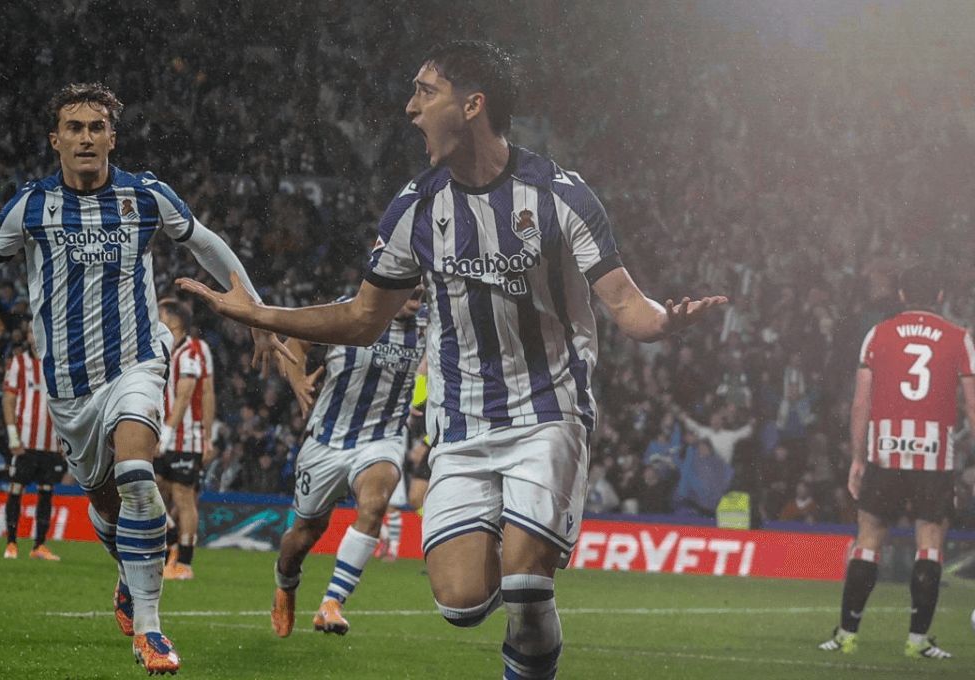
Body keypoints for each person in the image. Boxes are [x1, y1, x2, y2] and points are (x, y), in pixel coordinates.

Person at [178, 41, 725, 677]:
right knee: (462, 604)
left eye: (425, 92)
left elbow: (627, 306)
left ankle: (530, 611)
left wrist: (668, 322)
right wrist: (260, 314)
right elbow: (361, 317)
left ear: (472, 105)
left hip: (548, 411)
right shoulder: (415, 206)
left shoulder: (559, 195)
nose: (411, 109)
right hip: (460, 425)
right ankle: (526, 599)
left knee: (524, 586)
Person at [0, 82, 290, 676]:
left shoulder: (145, 196)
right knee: (106, 501)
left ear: (112, 138)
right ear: (56, 140)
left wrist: (257, 310)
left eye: (97, 127)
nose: (87, 137)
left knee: (139, 477)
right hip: (68, 388)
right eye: (75, 127)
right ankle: (127, 571)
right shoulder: (32, 206)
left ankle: (150, 630)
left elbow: (206, 244)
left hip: (138, 363)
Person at [819, 270, 974, 660]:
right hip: (934, 454)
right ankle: (917, 641)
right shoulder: (960, 337)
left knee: (869, 538)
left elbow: (860, 403)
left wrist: (858, 458)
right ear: (939, 293)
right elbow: (973, 405)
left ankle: (847, 635)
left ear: (902, 293)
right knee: (930, 543)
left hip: (885, 450)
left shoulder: (878, 334)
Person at [267, 287, 426, 637]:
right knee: (304, 535)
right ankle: (285, 583)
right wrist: (298, 383)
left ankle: (332, 602)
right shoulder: (350, 310)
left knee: (374, 505)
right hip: (325, 441)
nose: (418, 289)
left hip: (382, 439)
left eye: (421, 281)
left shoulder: (431, 324)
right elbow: (296, 342)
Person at [155, 299, 215, 581]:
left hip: (184, 438)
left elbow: (187, 393)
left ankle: (185, 563)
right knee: (151, 488)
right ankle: (171, 539)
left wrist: (205, 437)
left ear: (174, 319)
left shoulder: (191, 350)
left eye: (161, 313)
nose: (157, 317)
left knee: (184, 496)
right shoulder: (167, 348)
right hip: (166, 434)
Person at [2, 328, 65, 561]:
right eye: (30, 331)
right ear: (27, 336)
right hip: (25, 444)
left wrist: (63, 439)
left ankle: (39, 545)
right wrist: (12, 436)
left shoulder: (57, 364)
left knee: (46, 494)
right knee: (16, 490)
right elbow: (8, 401)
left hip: (50, 444)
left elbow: (65, 404)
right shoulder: (19, 363)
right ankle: (11, 542)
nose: (35, 334)